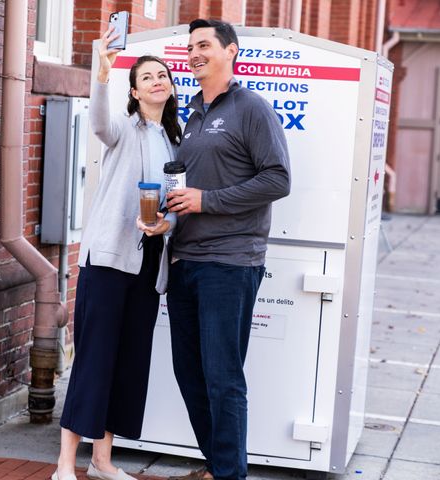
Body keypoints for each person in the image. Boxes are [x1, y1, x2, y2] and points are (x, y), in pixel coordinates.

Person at [52, 27, 181, 480]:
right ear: (135, 90)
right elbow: (99, 122)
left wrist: (170, 223)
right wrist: (100, 75)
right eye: (147, 76)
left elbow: (177, 204)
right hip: (108, 260)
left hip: (148, 265)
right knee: (95, 358)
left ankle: (103, 461)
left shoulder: (174, 143)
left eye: (162, 74)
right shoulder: (125, 127)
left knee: (127, 361)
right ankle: (66, 464)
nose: (157, 80)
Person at [164, 19, 291, 480]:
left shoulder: (251, 107)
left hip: (230, 263)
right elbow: (189, 188)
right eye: (190, 46)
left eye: (204, 45)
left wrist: (206, 201)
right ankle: (218, 467)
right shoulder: (192, 113)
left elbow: (278, 179)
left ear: (231, 51)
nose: (194, 52)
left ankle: (229, 474)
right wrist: (170, 215)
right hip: (184, 261)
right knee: (190, 376)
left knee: (223, 379)